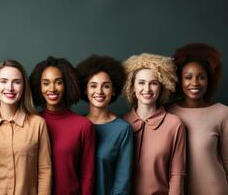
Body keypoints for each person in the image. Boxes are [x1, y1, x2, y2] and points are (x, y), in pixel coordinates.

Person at [0, 60, 52, 195]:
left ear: (24, 87)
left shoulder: (38, 124)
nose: (10, 88)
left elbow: (44, 170)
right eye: (3, 81)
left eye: (17, 82)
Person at [122, 53, 186, 195]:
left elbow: (177, 175)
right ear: (132, 86)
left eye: (154, 83)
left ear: (161, 87)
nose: (147, 89)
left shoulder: (174, 124)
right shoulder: (121, 123)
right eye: (141, 82)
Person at [29, 56, 95, 195]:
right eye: (46, 83)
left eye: (58, 82)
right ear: (38, 86)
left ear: (68, 85)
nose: (52, 89)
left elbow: (87, 175)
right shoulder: (31, 123)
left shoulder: (83, 126)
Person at [168, 43, 228, 195]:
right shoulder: (168, 113)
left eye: (201, 77)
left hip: (216, 190)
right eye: (188, 77)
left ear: (209, 81)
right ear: (179, 81)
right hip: (178, 190)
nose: (195, 83)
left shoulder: (222, 112)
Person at [77, 54, 133, 195]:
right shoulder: (76, 125)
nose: (99, 92)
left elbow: (122, 182)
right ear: (85, 89)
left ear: (113, 90)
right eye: (93, 86)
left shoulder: (123, 129)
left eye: (106, 86)